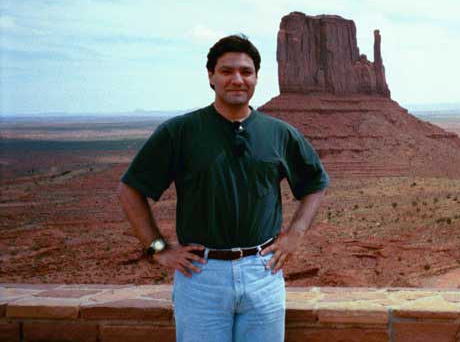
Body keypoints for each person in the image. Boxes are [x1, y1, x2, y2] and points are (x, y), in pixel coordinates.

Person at [118, 34, 329, 342]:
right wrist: (159, 249)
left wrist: (295, 233)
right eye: (227, 71)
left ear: (257, 78)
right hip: (200, 276)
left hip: (263, 272)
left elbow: (316, 183)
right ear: (211, 77)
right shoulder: (180, 132)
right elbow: (130, 190)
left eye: (246, 71)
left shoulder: (279, 134)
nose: (237, 79)